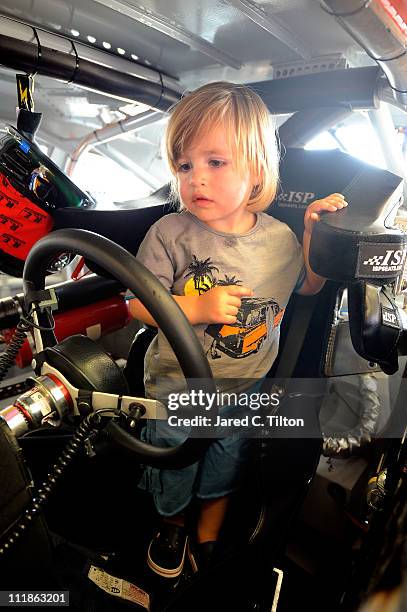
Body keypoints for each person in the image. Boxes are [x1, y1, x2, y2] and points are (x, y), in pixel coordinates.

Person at [128, 81, 347, 578]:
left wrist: (312, 232)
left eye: (215, 162)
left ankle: (208, 535)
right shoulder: (170, 233)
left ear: (255, 169)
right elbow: (138, 306)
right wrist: (195, 307)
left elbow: (307, 288)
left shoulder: (280, 239)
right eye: (184, 166)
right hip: (176, 389)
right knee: (174, 463)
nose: (195, 179)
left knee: (225, 467)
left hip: (245, 389)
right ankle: (173, 525)